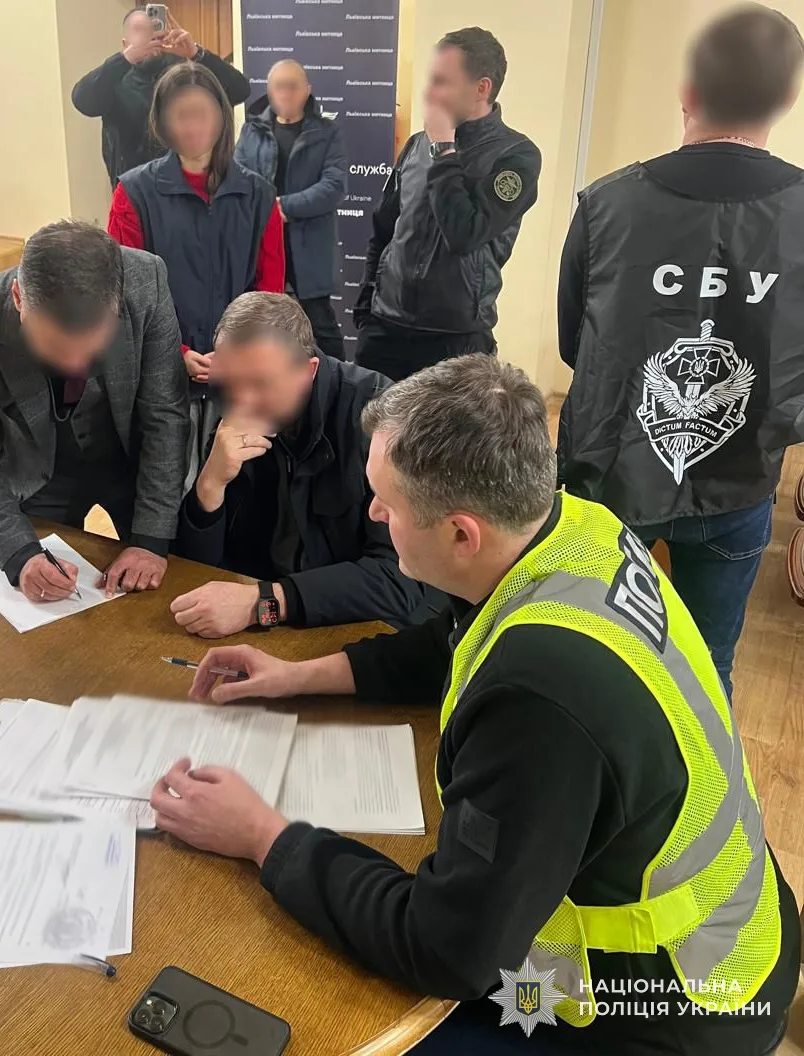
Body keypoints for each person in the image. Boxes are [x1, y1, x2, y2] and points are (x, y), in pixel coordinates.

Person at [149, 354, 800, 1056]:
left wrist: (262, 836)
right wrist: (295, 676)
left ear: (462, 534)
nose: (374, 514)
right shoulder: (573, 528)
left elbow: (445, 950)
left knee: (319, 1021)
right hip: (735, 928)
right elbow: (459, 638)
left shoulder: (540, 698)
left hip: (660, 1010)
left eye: (387, 502)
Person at [557, 3, 804, 701]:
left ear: (687, 91)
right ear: (786, 100)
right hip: (741, 480)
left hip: (611, 476)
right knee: (705, 670)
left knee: (593, 655)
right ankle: (697, 770)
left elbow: (576, 346)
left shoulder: (607, 205)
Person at [0, 221, 189, 602]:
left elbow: (165, 416)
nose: (74, 365)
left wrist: (151, 540)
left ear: (117, 304)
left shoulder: (146, 282)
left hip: (131, 459)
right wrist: (20, 555)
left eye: (91, 349)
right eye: (55, 348)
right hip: (39, 471)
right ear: (19, 298)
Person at [170, 292, 425, 635]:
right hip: (265, 617)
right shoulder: (234, 409)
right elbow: (196, 567)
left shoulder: (380, 423)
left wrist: (265, 602)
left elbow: (401, 580)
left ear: (308, 370)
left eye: (260, 384)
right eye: (231, 382)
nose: (243, 401)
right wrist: (209, 485)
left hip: (351, 626)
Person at [108, 62, 284, 488]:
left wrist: (238, 351)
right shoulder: (134, 192)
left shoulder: (258, 195)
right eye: (180, 115)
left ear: (222, 116)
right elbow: (124, 293)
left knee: (235, 491)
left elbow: (270, 291)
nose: (193, 126)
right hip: (161, 375)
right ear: (162, 121)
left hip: (237, 377)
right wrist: (178, 352)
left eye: (202, 112)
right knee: (167, 490)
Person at [353, 28, 540, 381]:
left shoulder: (516, 156)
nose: (429, 92)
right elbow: (384, 227)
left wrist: (443, 150)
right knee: (368, 419)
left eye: (442, 82)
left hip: (456, 341)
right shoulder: (416, 145)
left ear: (481, 88)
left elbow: (465, 232)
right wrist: (366, 306)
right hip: (385, 329)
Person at [235, 59, 348, 361]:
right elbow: (239, 180)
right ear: (269, 90)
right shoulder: (251, 131)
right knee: (259, 320)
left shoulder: (327, 132)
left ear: (307, 89)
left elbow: (334, 186)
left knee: (319, 323)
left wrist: (283, 207)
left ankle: (338, 382)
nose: (285, 93)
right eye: (279, 86)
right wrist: (265, 211)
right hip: (260, 243)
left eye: (293, 85)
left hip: (309, 246)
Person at [71, 6, 250, 185]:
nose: (148, 36)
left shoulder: (185, 74)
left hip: (188, 188)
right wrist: (124, 59)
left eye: (154, 28)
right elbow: (83, 101)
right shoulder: (114, 79)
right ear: (125, 44)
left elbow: (239, 91)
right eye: (139, 30)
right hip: (132, 189)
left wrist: (196, 53)